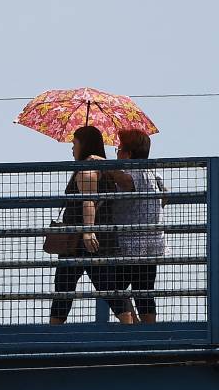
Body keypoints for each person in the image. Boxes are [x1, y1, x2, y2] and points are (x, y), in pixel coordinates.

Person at [49, 126, 133, 324]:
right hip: (102, 238)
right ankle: (130, 330)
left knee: (64, 288)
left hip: (80, 241)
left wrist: (88, 231)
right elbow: (128, 184)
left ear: (83, 144)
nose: (72, 149)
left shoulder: (87, 167)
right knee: (109, 289)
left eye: (74, 143)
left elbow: (88, 201)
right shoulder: (105, 169)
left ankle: (52, 335)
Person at [112, 128, 167, 323]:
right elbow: (165, 196)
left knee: (112, 286)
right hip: (152, 244)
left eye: (118, 150)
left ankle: (132, 327)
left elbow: (126, 183)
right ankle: (148, 332)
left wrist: (104, 166)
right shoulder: (152, 172)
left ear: (128, 153)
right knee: (143, 290)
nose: (116, 154)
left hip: (131, 245)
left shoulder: (133, 170)